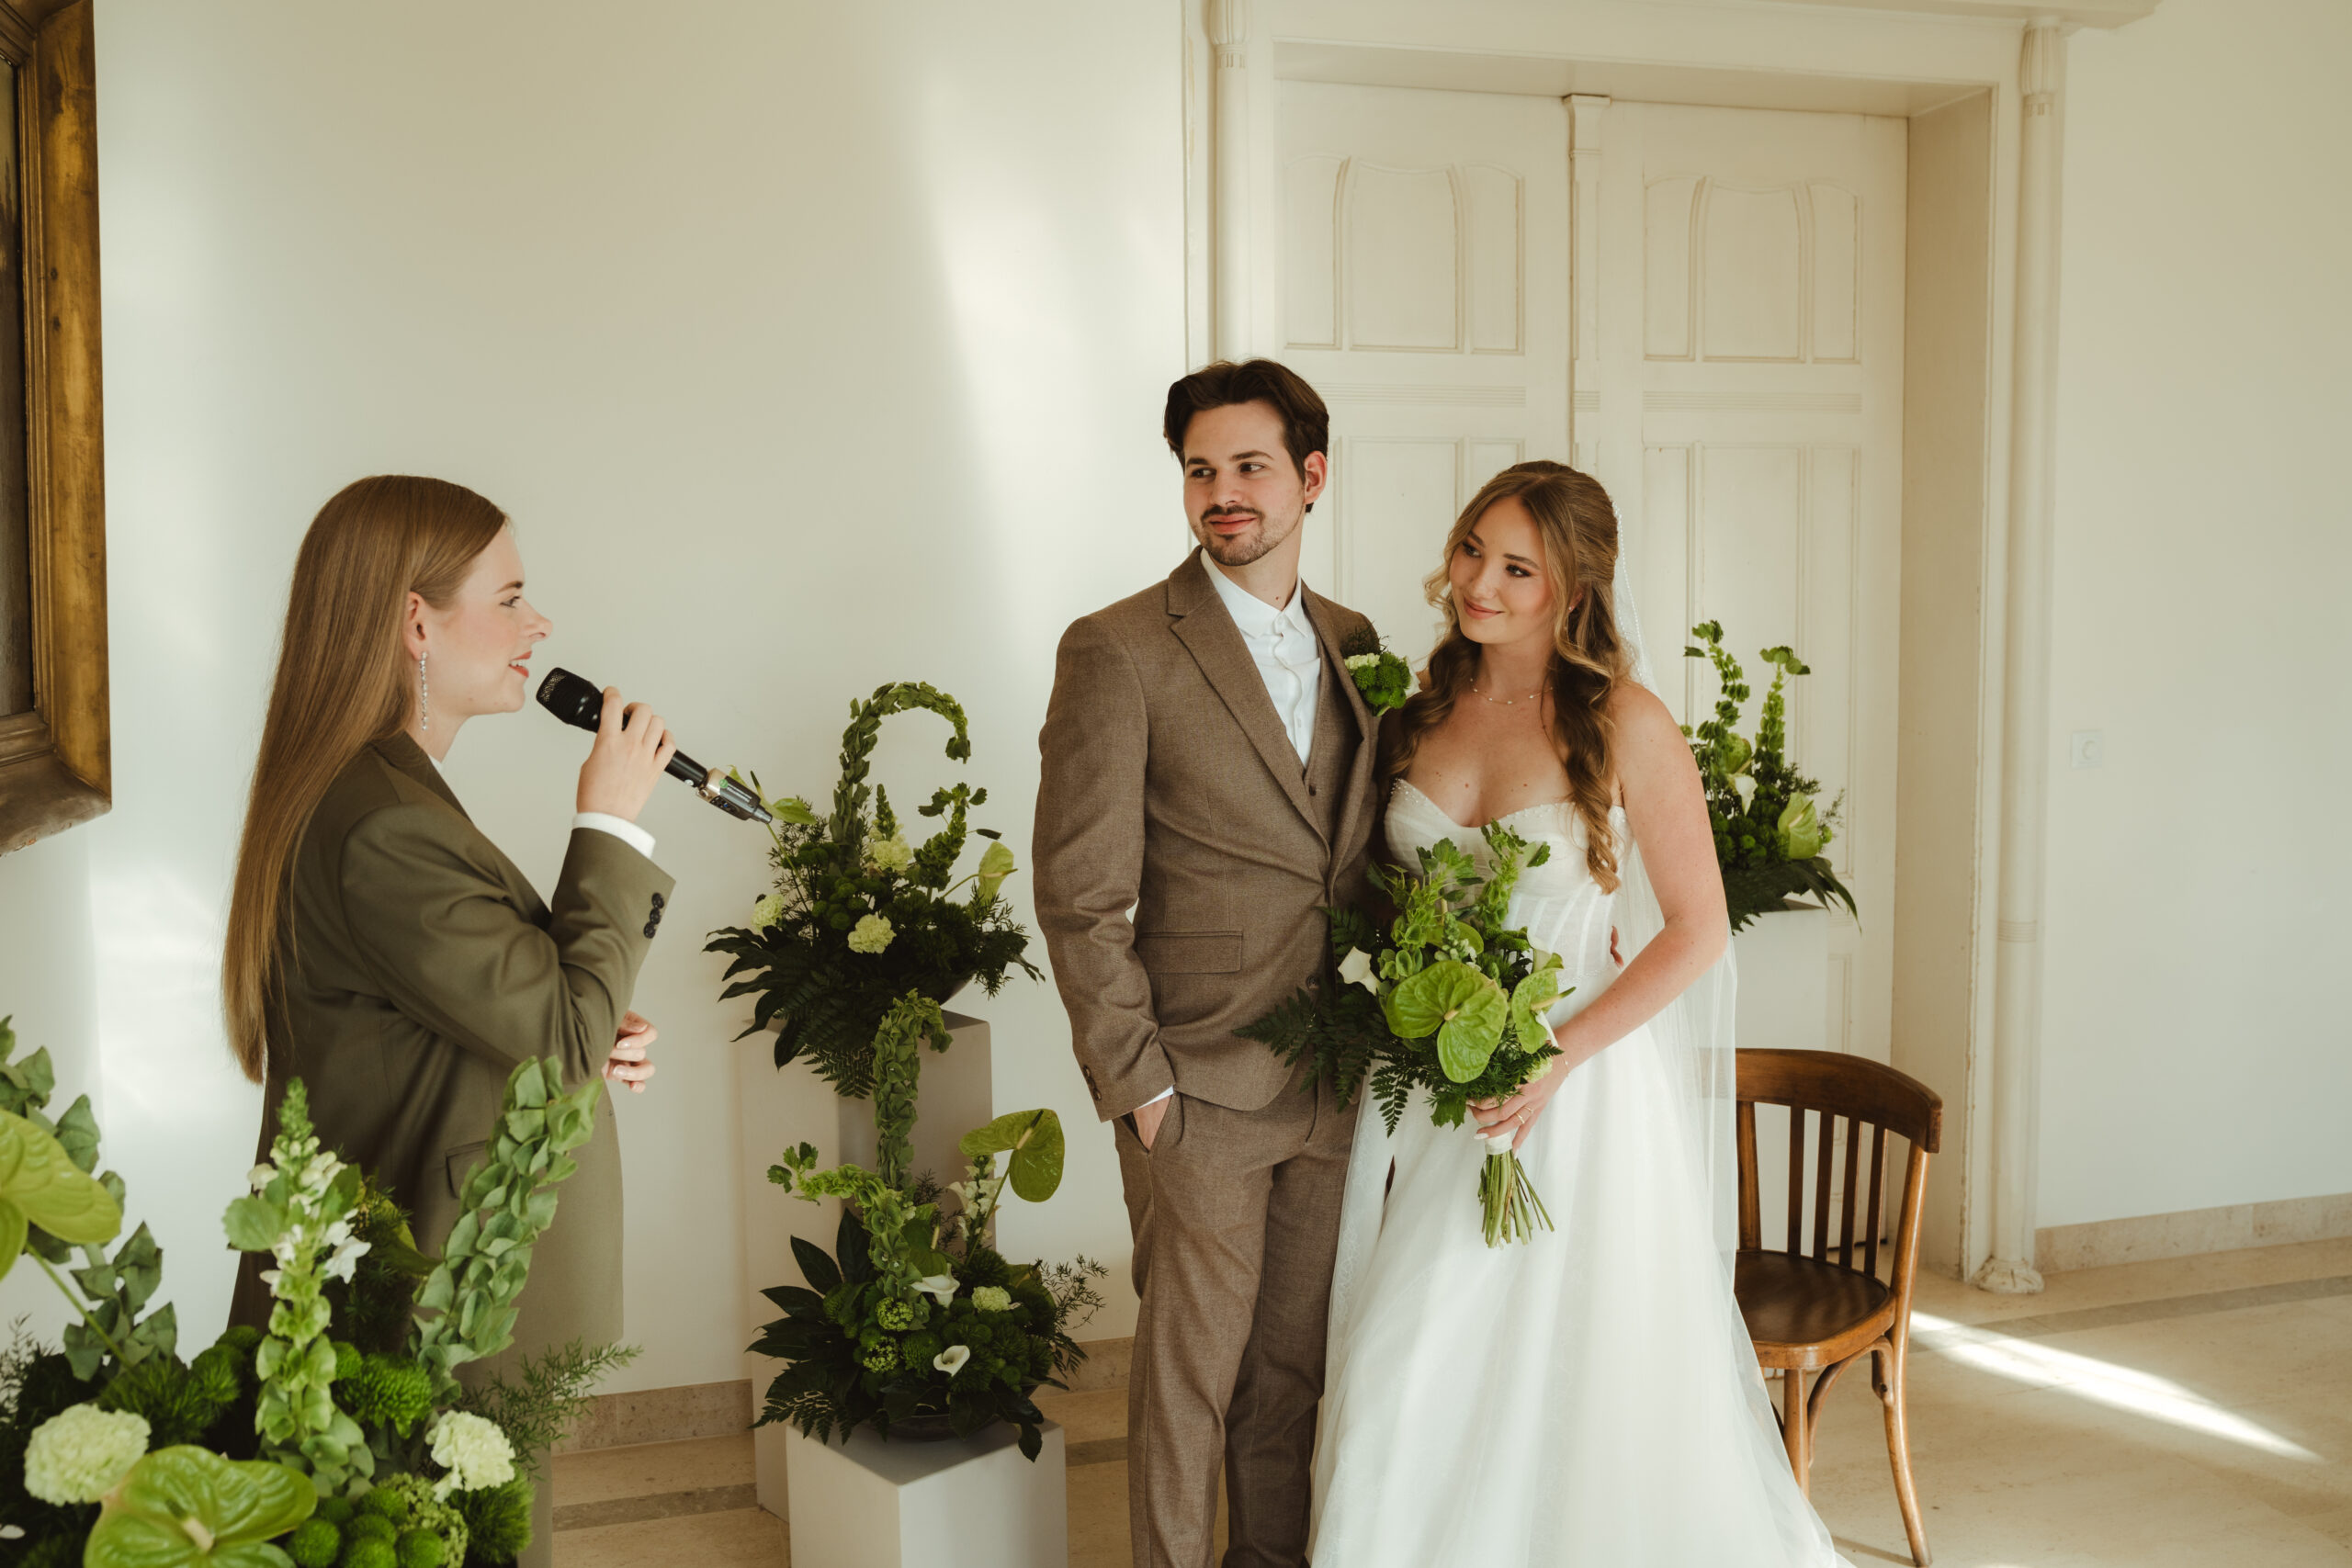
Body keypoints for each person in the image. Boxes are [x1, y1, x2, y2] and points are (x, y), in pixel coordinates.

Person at [1307, 461, 1848, 1565]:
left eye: (1518, 569)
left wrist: (1553, 1054)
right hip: (1436, 1097)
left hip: (1579, 1101)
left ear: (1572, 590)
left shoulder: (1625, 722)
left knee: (1574, 1390)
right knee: (1405, 1374)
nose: (1481, 584)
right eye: (1472, 551)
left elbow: (1694, 928)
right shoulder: (1412, 714)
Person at [220, 474, 674, 1568]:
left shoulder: (383, 790)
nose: (540, 625)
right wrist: (608, 823)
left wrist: (581, 1005)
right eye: (511, 598)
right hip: (438, 1296)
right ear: (415, 621)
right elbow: (560, 1034)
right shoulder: (382, 822)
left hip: (435, 1281)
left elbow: (470, 1011)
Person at [1033, 360, 1381, 1568]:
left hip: (1331, 1086)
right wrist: (1141, 1087)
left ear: (1311, 477)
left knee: (1286, 1381)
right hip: (1195, 1090)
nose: (1221, 493)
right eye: (1199, 470)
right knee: (1188, 1387)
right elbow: (1079, 893)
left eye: (1248, 467)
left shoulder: (1356, 643)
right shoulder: (1119, 648)